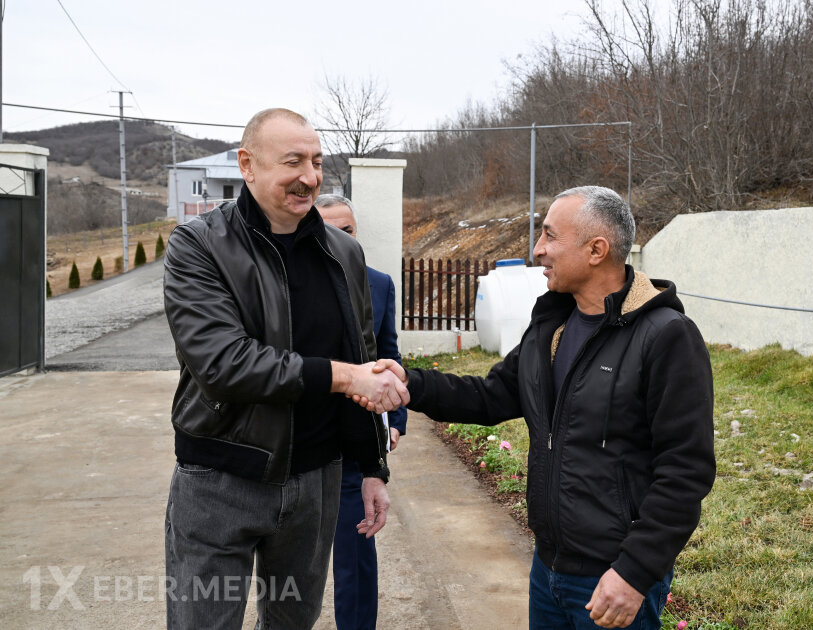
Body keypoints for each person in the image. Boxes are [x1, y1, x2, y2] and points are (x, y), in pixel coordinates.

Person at [365, 186, 715, 630]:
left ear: (596, 250)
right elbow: (491, 395)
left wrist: (634, 572)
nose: (538, 249)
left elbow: (686, 471)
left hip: (612, 577)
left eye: (550, 236)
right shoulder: (552, 323)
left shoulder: (666, 336)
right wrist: (409, 383)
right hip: (548, 569)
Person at [162, 108, 409, 630]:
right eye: (293, 161)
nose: (309, 177)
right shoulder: (198, 246)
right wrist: (343, 376)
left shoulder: (344, 253)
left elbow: (362, 356)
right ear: (247, 165)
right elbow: (223, 363)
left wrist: (371, 468)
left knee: (293, 622)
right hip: (220, 481)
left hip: (315, 483)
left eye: (316, 162)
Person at [315, 194, 407, 630]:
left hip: (356, 440)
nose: (338, 238)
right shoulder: (288, 281)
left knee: (355, 549)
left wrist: (395, 421)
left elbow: (388, 354)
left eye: (346, 230)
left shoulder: (380, 284)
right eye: (327, 229)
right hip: (302, 437)